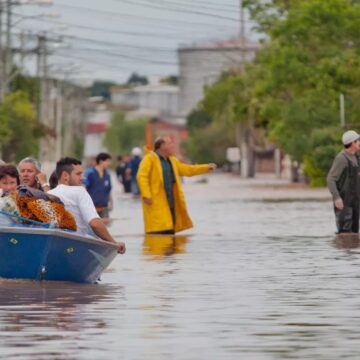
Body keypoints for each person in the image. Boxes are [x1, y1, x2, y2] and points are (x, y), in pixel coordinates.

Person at [137, 136, 217, 234]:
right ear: (162, 146)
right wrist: (146, 195)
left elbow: (187, 169)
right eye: (170, 143)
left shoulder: (172, 160)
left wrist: (206, 168)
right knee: (158, 236)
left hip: (171, 204)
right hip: (155, 203)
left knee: (170, 234)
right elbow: (142, 177)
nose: (173, 146)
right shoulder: (149, 159)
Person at [48, 157, 126, 254]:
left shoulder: (48, 194)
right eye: (78, 174)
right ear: (65, 176)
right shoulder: (80, 191)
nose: (83, 177)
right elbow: (95, 224)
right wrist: (115, 243)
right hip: (74, 248)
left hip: (54, 246)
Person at [327, 130, 360, 234]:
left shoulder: (356, 157)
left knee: (354, 234)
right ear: (353, 143)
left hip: (355, 202)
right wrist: (336, 198)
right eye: (358, 140)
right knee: (345, 234)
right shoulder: (341, 158)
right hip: (344, 203)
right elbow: (330, 179)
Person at [84, 153, 113, 220]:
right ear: (101, 161)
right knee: (93, 228)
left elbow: (108, 190)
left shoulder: (107, 174)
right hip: (92, 208)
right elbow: (83, 187)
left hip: (104, 207)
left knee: (104, 227)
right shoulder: (89, 173)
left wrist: (111, 203)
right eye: (107, 161)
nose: (109, 163)